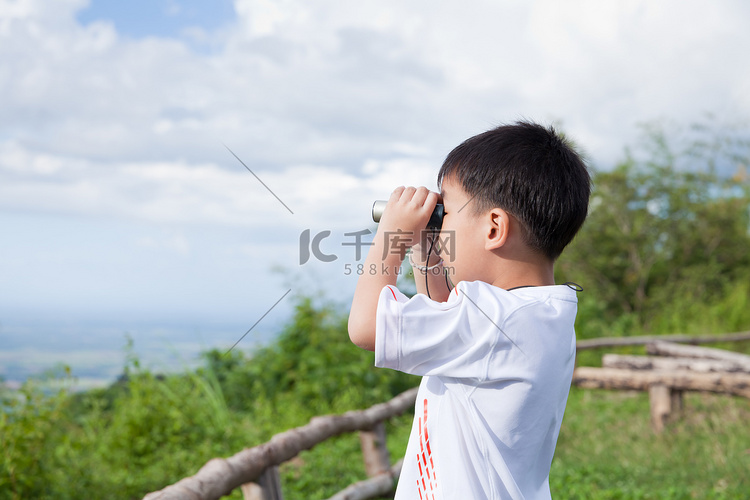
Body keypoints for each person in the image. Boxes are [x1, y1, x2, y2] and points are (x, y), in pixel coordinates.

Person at [348, 121, 591, 499]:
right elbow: (444, 312)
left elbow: (366, 327)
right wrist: (426, 246)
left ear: (494, 228)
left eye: (447, 214)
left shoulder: (494, 318)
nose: (440, 226)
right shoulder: (541, 312)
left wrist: (392, 234)